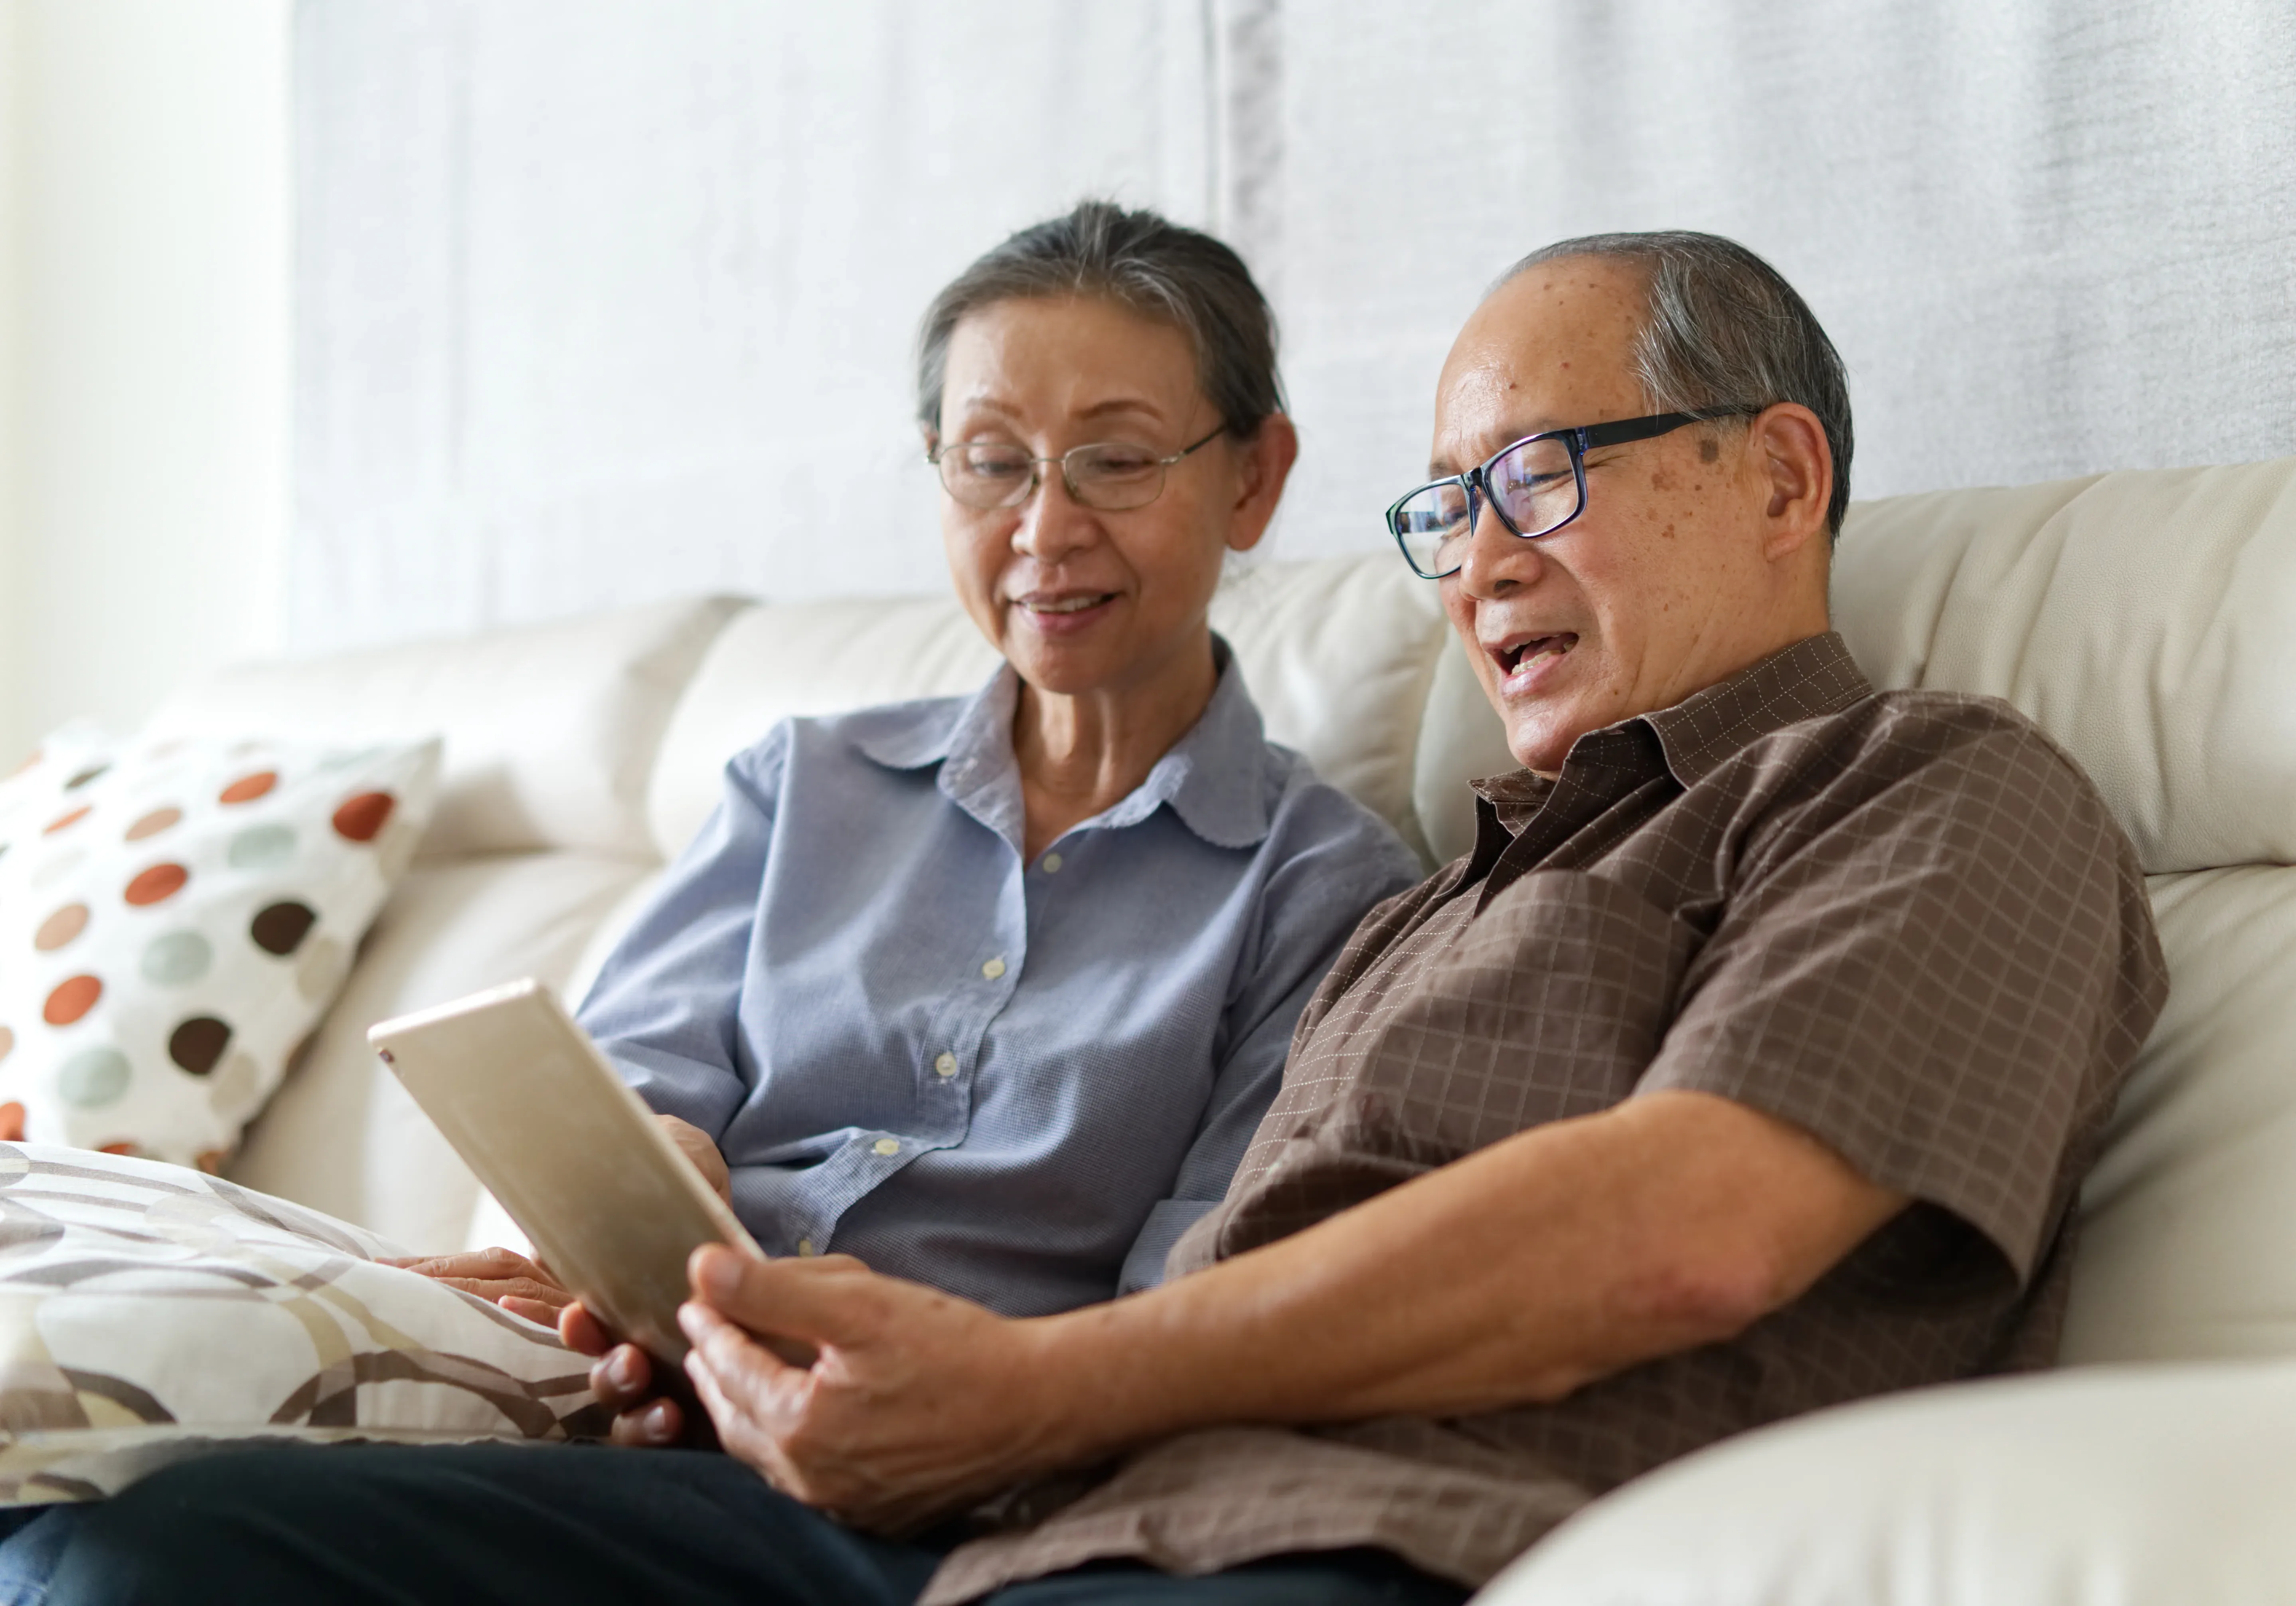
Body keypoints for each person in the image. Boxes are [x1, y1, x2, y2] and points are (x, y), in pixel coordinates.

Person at [40, 232, 2167, 1606]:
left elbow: (1684, 1227)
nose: (1476, 561)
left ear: (1779, 475)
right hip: (1011, 1534)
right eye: (1448, 508)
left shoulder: (1931, 790)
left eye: (1543, 476)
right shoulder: (1451, 889)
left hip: (1305, 1541)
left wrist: (1028, 1388)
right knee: (141, 1562)